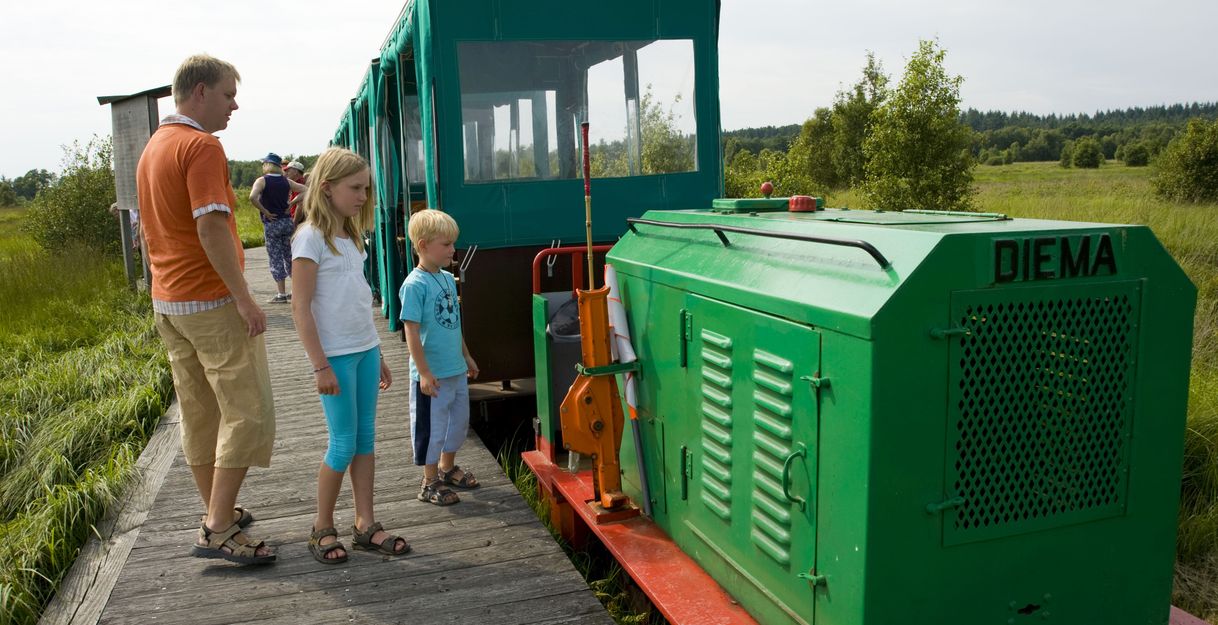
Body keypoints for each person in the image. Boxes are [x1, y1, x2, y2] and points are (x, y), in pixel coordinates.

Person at [136, 54, 276, 565]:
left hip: (169, 302)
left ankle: (221, 510)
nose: (234, 105)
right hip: (211, 300)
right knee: (248, 410)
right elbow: (211, 226)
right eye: (227, 94)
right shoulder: (200, 147)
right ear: (199, 92)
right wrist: (244, 296)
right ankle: (217, 528)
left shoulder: (154, 147)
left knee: (201, 413)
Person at [291, 147, 410, 564]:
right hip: (335, 358)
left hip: (363, 350)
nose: (363, 196)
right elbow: (301, 308)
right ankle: (322, 526)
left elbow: (358, 300)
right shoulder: (310, 238)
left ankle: (365, 523)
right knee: (341, 444)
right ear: (327, 188)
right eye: (355, 188)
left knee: (365, 440)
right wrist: (320, 365)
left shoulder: (351, 236)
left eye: (366, 188)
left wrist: (376, 350)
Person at [399, 209, 481, 506]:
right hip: (431, 374)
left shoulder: (447, 278)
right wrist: (422, 371)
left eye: (452, 244)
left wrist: (466, 356)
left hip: (454, 369)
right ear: (423, 245)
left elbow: (453, 322)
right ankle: (429, 480)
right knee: (431, 428)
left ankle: (447, 468)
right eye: (446, 245)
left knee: (456, 423)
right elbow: (411, 329)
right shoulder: (414, 285)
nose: (452, 250)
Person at [250, 153, 305, 303]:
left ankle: (281, 294)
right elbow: (306, 190)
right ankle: (296, 290)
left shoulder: (262, 181)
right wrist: (292, 204)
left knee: (275, 258)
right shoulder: (286, 181)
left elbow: (252, 197)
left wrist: (265, 211)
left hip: (272, 223)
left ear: (267, 165)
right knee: (289, 256)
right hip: (287, 222)